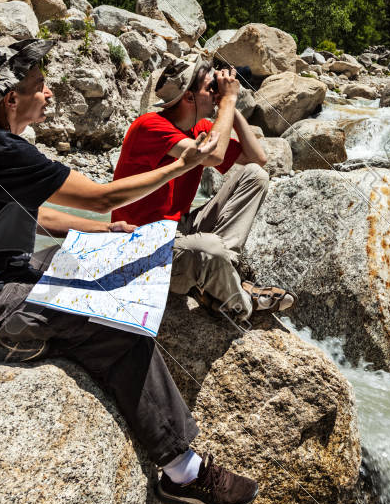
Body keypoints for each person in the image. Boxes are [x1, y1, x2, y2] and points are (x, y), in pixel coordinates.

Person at [0, 39, 258, 504]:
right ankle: (183, 470)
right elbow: (97, 197)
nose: (48, 94)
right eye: (39, 86)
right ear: (11, 99)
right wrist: (181, 165)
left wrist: (108, 231)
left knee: (103, 262)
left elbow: (45, 217)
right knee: (119, 325)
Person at [112, 56, 295, 319]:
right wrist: (229, 102)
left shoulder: (199, 127)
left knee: (255, 175)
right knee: (209, 249)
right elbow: (212, 156)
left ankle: (221, 271)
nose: (217, 93)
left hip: (180, 228)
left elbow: (258, 159)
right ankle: (242, 303)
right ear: (189, 97)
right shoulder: (150, 126)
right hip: (144, 246)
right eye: (211, 89)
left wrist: (229, 107)